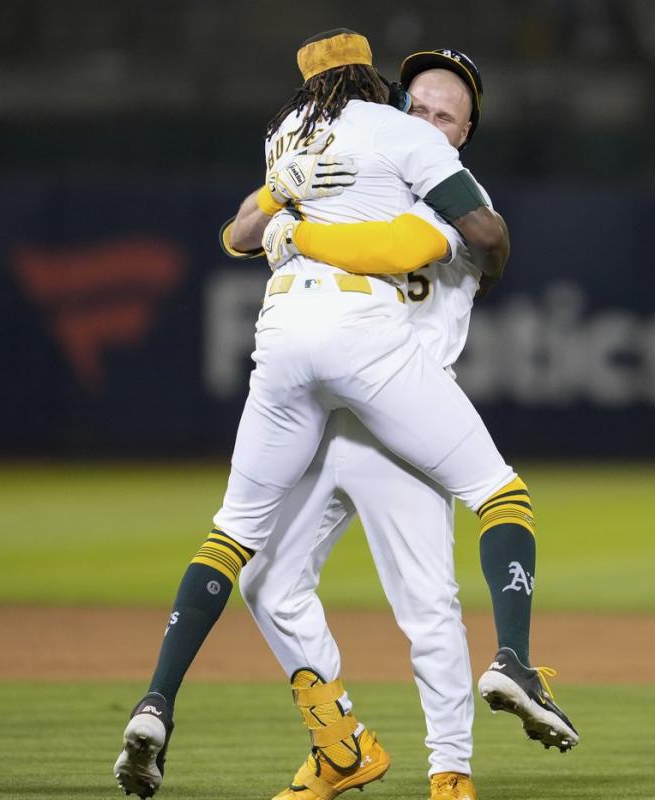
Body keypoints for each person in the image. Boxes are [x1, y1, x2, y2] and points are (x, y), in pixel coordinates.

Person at [114, 29, 567, 799]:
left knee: (427, 606)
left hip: (403, 412)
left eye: (447, 116)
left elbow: (407, 247)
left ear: (463, 137)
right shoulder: (362, 166)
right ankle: (340, 743)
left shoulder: (454, 194)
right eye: (417, 102)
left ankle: (451, 774)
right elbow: (237, 234)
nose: (428, 118)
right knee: (270, 581)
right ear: (392, 103)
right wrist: (276, 199)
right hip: (333, 409)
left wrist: (294, 226)